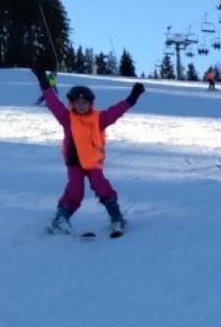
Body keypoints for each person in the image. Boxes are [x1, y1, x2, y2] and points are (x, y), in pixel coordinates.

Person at [33, 68, 142, 235]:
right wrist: (44, 82)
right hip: (74, 163)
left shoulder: (99, 118)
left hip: (93, 163)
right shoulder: (67, 118)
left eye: (84, 103)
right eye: (77, 103)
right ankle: (61, 219)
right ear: (72, 104)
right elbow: (53, 103)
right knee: (75, 191)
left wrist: (132, 98)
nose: (81, 106)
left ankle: (116, 217)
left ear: (90, 104)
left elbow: (116, 111)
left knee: (101, 186)